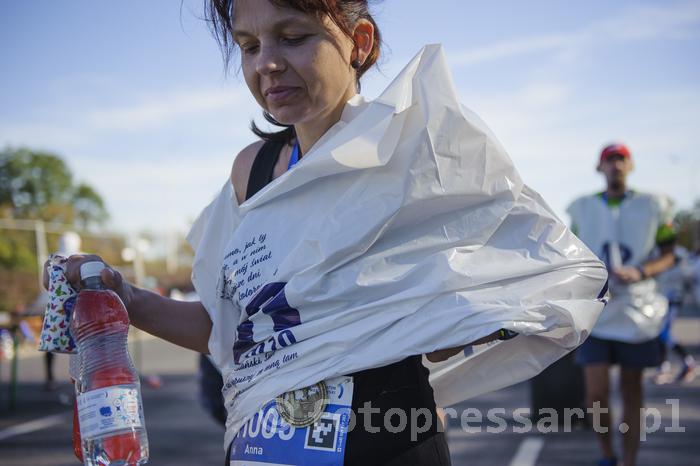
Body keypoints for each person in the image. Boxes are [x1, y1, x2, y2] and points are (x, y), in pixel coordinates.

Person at [52, 1, 607, 465]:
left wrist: (463, 321)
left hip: (384, 436)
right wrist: (125, 299)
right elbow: (230, 329)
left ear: (358, 41)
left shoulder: (417, 147)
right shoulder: (253, 171)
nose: (267, 63)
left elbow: (541, 272)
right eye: (249, 46)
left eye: (292, 37)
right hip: (263, 443)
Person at [569, 143, 677, 466]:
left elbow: (669, 255)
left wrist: (641, 271)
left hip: (636, 311)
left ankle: (629, 461)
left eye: (621, 159)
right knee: (596, 395)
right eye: (609, 160)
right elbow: (571, 255)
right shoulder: (583, 209)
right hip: (598, 311)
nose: (615, 165)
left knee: (632, 391)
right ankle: (607, 455)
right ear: (599, 168)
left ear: (630, 166)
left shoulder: (653, 206)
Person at [653, 245, 696, 384]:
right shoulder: (655, 251)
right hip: (660, 299)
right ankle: (664, 367)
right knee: (660, 334)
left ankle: (686, 363)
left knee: (663, 334)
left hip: (672, 299)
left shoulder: (679, 254)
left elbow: (689, 274)